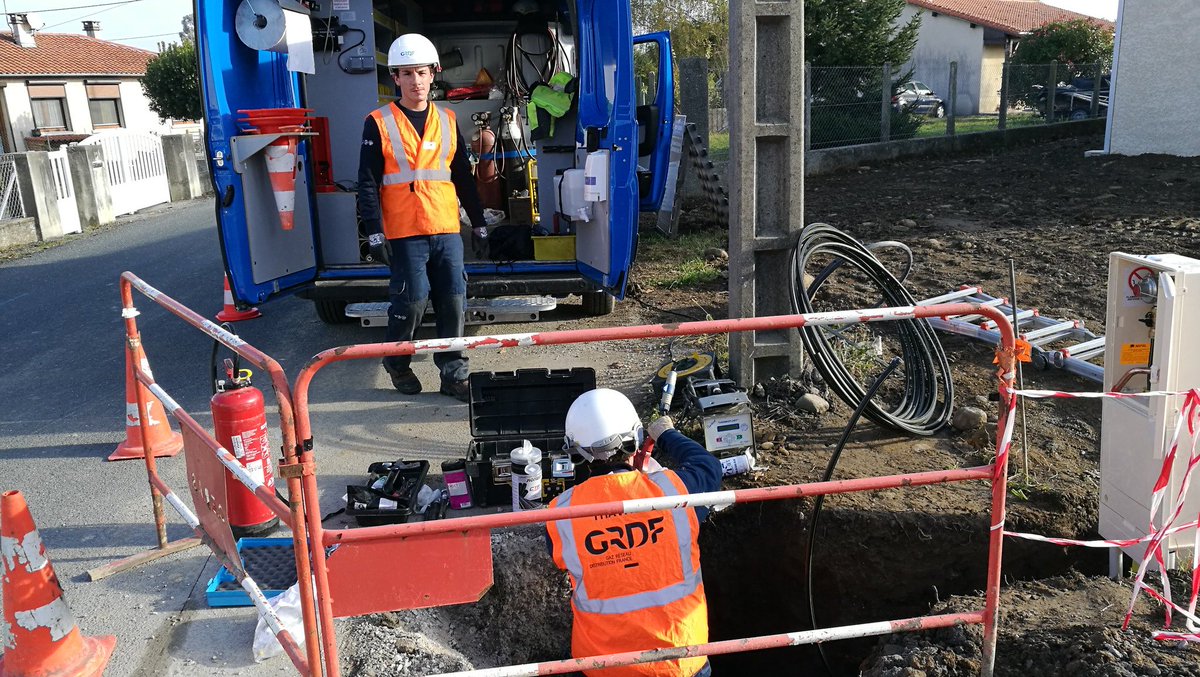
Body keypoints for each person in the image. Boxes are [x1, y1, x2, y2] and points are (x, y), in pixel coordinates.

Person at [546, 388, 722, 677]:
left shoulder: (561, 514)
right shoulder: (673, 491)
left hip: (602, 667)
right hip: (679, 661)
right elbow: (709, 467)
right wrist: (665, 434)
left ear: (575, 452)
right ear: (636, 438)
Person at [358, 33, 487, 402]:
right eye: (407, 73)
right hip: (404, 231)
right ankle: (397, 363)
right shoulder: (378, 122)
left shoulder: (447, 119)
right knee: (411, 302)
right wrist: (374, 233)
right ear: (395, 78)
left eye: (421, 72)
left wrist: (478, 222)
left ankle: (454, 374)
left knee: (453, 301)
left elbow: (462, 176)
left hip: (446, 228)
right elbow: (367, 181)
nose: (415, 80)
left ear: (434, 74)